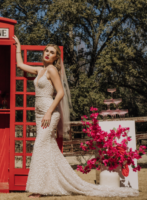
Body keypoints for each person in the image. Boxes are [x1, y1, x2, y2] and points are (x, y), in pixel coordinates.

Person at [13, 35, 139, 198]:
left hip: (48, 112)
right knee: (48, 148)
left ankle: (39, 188)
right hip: (39, 114)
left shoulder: (51, 69)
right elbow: (20, 64)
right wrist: (18, 47)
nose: (47, 54)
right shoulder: (40, 70)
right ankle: (48, 185)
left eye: (51, 52)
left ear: (56, 57)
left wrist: (49, 112)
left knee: (39, 146)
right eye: (46, 51)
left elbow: (60, 93)